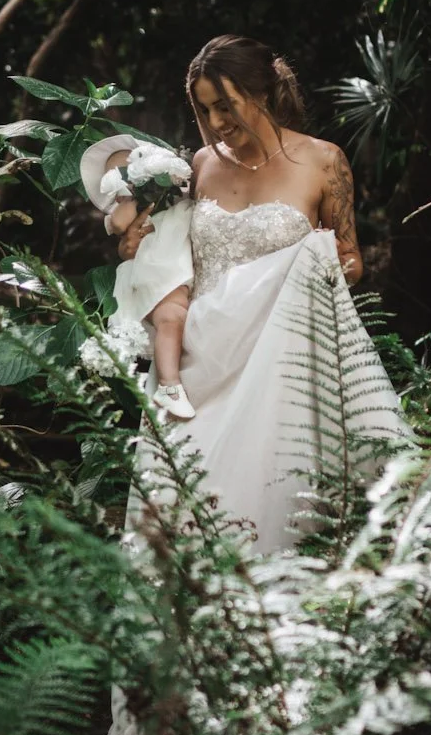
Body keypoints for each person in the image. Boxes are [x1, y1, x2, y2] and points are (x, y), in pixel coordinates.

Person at [113, 32, 410, 557]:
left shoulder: (324, 162)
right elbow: (169, 249)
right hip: (197, 360)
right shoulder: (199, 166)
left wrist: (308, 264)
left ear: (266, 90)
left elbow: (351, 259)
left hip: (279, 359)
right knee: (183, 503)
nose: (218, 122)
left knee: (263, 499)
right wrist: (135, 239)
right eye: (206, 110)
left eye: (226, 104)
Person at [79, 137, 196, 420]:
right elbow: (119, 224)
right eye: (116, 170)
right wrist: (131, 193)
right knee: (171, 315)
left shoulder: (171, 194)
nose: (127, 170)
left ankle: (171, 381)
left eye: (129, 161)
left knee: (176, 318)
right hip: (157, 265)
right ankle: (169, 384)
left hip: (180, 260)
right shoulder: (129, 204)